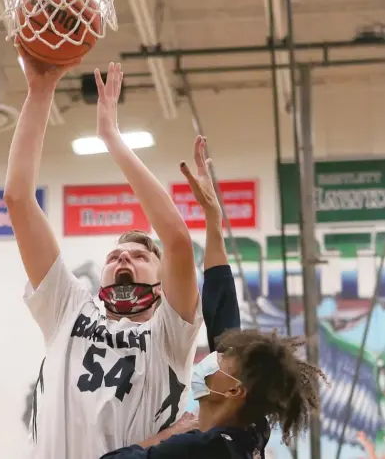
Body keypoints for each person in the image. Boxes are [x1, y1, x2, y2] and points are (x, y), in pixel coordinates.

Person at [4, 52, 237, 459]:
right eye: (114, 257)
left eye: (139, 256)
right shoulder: (68, 310)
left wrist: (111, 137)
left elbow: (178, 240)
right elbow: (18, 199)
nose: (122, 260)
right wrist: (40, 92)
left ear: (163, 283)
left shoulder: (170, 332)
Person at [101, 145, 330, 459]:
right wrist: (213, 222)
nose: (212, 359)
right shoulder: (249, 428)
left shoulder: (200, 448)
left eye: (222, 363)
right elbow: (223, 316)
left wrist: (168, 436)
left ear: (234, 389)